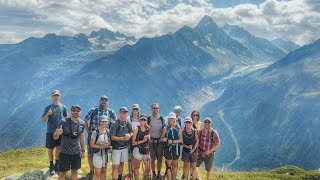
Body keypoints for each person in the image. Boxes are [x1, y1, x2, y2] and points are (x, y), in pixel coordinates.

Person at [83, 95, 117, 177]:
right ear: (100, 101)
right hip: (93, 136)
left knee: (103, 152)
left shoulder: (110, 111)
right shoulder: (93, 110)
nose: (104, 102)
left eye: (105, 101)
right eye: (102, 100)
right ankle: (92, 171)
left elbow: (116, 122)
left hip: (105, 136)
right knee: (90, 155)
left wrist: (111, 134)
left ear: (107, 102)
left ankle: (101, 169)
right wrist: (88, 131)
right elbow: (84, 120)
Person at [53, 104, 85, 180]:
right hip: (64, 152)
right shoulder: (63, 121)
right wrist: (58, 133)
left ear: (80, 112)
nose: (76, 112)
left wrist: (83, 150)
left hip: (77, 152)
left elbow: (82, 137)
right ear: (71, 111)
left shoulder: (82, 123)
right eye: (74, 110)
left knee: (75, 172)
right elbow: (54, 137)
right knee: (62, 173)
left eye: (78, 110)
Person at [41, 90, 68, 175]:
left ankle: (57, 164)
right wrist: (48, 114)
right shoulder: (48, 107)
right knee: (50, 149)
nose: (56, 97)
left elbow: (66, 118)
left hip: (59, 132)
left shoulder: (63, 107)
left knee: (58, 148)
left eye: (57, 95)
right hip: (50, 131)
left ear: (60, 96)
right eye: (54, 95)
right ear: (52, 97)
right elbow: (43, 120)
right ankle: (51, 165)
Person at [110, 107, 133, 180]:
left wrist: (130, 135)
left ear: (127, 113)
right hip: (116, 148)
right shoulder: (115, 124)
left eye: (125, 112)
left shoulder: (128, 123)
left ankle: (119, 177)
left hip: (125, 147)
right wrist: (123, 138)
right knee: (116, 166)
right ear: (120, 113)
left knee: (122, 163)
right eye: (122, 112)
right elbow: (112, 137)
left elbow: (131, 132)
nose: (124, 114)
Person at [161, 112, 182, 180]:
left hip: (176, 149)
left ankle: (174, 178)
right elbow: (162, 138)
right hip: (168, 149)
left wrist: (172, 141)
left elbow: (181, 140)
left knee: (175, 165)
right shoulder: (165, 128)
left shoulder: (178, 128)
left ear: (175, 119)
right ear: (168, 119)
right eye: (170, 119)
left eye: (173, 119)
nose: (171, 120)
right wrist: (167, 140)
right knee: (169, 166)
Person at [147, 103, 165, 179]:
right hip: (151, 142)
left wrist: (162, 138)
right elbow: (146, 128)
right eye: (154, 108)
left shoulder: (161, 118)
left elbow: (164, 128)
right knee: (152, 159)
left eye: (156, 108)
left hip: (159, 141)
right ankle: (154, 173)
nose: (155, 109)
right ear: (151, 109)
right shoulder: (149, 118)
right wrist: (149, 137)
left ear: (158, 109)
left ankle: (158, 173)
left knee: (160, 159)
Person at [90, 115, 110, 180]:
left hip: (105, 154)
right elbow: (92, 145)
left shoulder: (108, 131)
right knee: (97, 173)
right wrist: (101, 146)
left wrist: (108, 144)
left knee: (104, 171)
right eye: (103, 121)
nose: (104, 123)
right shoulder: (95, 132)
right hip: (97, 154)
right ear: (100, 122)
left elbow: (109, 141)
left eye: (105, 121)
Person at [131, 115, 151, 180]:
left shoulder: (149, 129)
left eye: (144, 120)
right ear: (139, 121)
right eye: (141, 120)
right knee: (137, 167)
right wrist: (143, 140)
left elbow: (150, 140)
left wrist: (149, 138)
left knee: (148, 168)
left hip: (146, 149)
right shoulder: (136, 129)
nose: (142, 121)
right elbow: (133, 143)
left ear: (146, 121)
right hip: (137, 149)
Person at [126, 104, 141, 178]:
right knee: (131, 156)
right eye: (134, 109)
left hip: (139, 139)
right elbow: (127, 128)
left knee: (136, 156)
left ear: (139, 110)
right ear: (132, 110)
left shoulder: (141, 118)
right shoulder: (129, 118)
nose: (135, 111)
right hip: (131, 139)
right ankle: (131, 172)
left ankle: (135, 170)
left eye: (136, 109)